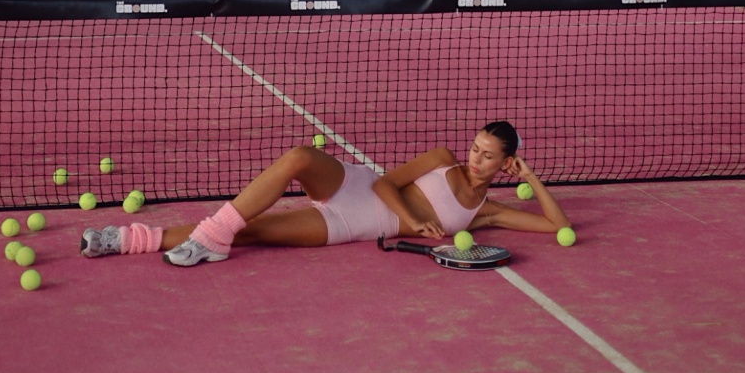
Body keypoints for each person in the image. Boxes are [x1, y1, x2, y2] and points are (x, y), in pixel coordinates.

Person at [80, 121, 571, 267]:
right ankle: (213, 235)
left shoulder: (487, 212)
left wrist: (531, 176)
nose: (475, 158)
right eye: (476, 147)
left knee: (252, 233)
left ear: (506, 163)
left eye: (488, 156)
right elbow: (385, 182)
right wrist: (415, 222)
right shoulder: (443, 158)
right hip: (357, 186)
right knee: (299, 156)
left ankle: (123, 240)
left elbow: (557, 226)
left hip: (352, 225)